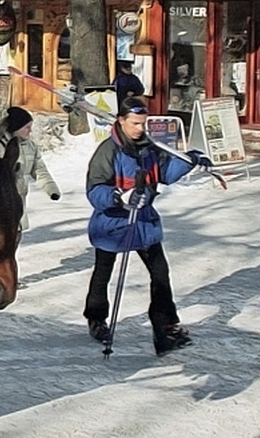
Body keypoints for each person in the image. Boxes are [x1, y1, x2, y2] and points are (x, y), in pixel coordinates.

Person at [83, 96, 212, 355]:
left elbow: (165, 174)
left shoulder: (149, 148)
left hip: (143, 221)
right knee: (103, 272)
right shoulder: (108, 151)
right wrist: (119, 195)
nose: (140, 128)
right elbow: (94, 190)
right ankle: (96, 318)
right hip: (113, 221)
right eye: (134, 123)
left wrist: (189, 160)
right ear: (121, 121)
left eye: (143, 123)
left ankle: (165, 326)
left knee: (160, 273)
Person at [0, 107, 60, 233]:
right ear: (16, 128)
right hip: (1, 207)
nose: (30, 130)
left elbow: (40, 170)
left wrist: (52, 190)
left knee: (15, 239)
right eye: (27, 127)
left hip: (20, 203)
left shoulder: (31, 147)